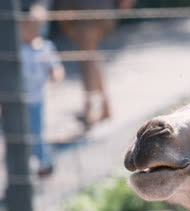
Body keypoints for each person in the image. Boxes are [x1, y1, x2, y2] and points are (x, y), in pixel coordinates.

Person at [54, 0, 136, 128]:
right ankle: (104, 106)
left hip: (87, 10)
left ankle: (89, 108)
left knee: (87, 57)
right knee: (90, 55)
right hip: (86, 10)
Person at [20, 5, 65, 177]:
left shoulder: (45, 47)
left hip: (36, 98)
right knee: (16, 133)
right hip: (17, 99)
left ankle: (44, 162)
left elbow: (55, 67)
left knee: (36, 133)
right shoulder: (16, 49)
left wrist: (56, 76)